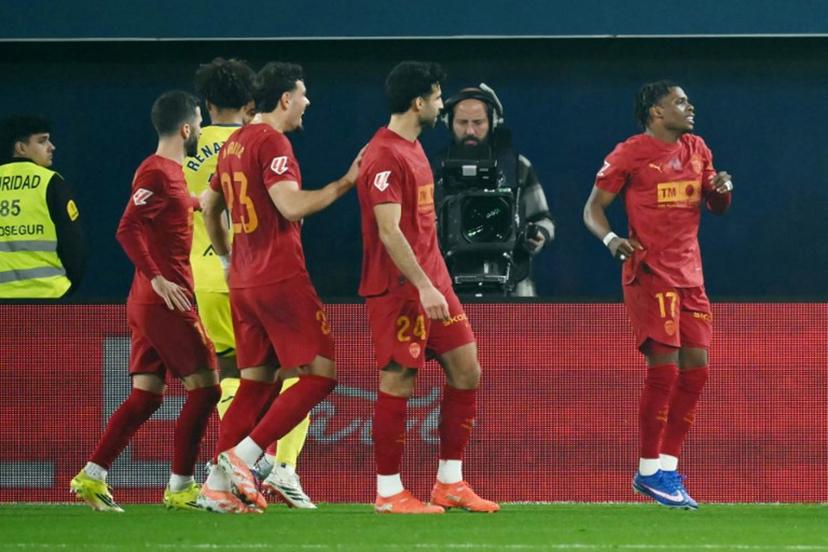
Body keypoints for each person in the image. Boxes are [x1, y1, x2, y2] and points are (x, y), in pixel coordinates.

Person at [198, 61, 361, 513]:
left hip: (245, 281)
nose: (308, 103)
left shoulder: (234, 142)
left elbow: (209, 205)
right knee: (320, 374)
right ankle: (245, 457)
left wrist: (229, 258)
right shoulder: (272, 141)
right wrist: (346, 182)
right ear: (286, 98)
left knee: (255, 383)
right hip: (279, 277)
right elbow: (289, 207)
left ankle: (214, 486)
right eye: (304, 95)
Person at [357, 61, 500, 514]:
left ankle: (449, 483)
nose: (443, 105)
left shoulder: (414, 148)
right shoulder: (383, 154)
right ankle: (388, 491)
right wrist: (423, 286)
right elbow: (388, 231)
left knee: (467, 370)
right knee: (399, 380)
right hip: (401, 288)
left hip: (433, 282)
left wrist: (435, 283)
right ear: (419, 102)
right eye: (438, 97)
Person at [583, 81, 734, 510]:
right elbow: (592, 207)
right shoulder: (631, 152)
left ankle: (666, 468)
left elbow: (715, 206)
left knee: (697, 369)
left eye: (688, 100)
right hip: (650, 273)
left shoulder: (697, 148)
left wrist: (721, 191)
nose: (690, 107)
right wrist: (612, 240)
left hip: (691, 276)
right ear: (655, 112)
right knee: (664, 368)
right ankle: (648, 469)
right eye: (680, 102)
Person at [70, 91, 221, 512]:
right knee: (207, 388)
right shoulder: (156, 172)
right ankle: (181, 486)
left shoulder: (169, 174)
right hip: (164, 300)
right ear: (187, 128)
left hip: (150, 300)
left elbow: (175, 208)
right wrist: (157, 279)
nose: (203, 130)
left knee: (147, 396)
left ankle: (92, 476)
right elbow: (127, 228)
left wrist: (201, 200)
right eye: (199, 123)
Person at [186, 57, 316, 509]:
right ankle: (278, 465)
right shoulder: (255, 141)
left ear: (204, 103)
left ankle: (221, 472)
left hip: (206, 278)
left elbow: (195, 205)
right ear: (250, 102)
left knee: (233, 378)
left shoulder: (189, 144)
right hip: (258, 273)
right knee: (298, 372)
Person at [431, 84, 555, 297]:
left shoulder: (518, 167)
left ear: (493, 121)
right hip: (445, 290)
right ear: (448, 123)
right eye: (462, 122)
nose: (470, 131)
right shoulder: (431, 170)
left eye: (478, 122)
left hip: (512, 288)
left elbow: (546, 221)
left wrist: (537, 235)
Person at [0, 116, 86, 298]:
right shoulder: (50, 182)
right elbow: (74, 243)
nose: (51, 147)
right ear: (20, 148)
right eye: (42, 141)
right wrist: (69, 287)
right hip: (49, 295)